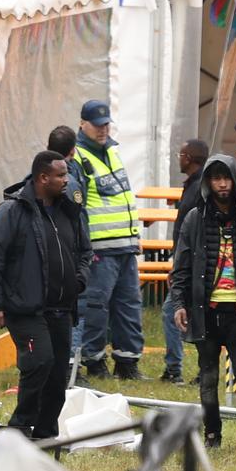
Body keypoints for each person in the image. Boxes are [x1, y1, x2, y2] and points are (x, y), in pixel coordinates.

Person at [0, 151, 87, 442]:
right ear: (43, 178)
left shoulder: (69, 209)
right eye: (61, 175)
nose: (67, 180)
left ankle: (46, 436)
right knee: (39, 361)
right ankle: (19, 429)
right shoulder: (12, 211)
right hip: (25, 309)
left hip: (61, 309)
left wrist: (79, 280)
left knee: (56, 377)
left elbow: (84, 251)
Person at [170, 153, 236, 455]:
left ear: (234, 179)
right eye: (216, 178)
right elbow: (182, 266)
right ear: (207, 182)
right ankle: (212, 434)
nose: (222, 184)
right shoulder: (194, 219)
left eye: (226, 177)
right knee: (208, 376)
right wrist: (179, 303)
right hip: (206, 311)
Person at [68, 98, 144, 379]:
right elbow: (78, 207)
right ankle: (94, 360)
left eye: (106, 124)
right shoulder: (78, 158)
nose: (103, 130)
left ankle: (127, 362)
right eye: (97, 125)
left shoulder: (112, 152)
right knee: (95, 308)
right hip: (100, 249)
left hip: (125, 245)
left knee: (129, 305)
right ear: (82, 124)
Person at [159, 137, 213, 383]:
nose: (178, 158)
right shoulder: (196, 185)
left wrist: (180, 265)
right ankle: (201, 370)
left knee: (173, 311)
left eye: (181, 154)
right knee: (195, 315)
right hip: (191, 262)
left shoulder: (198, 188)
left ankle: (174, 370)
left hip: (192, 264)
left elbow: (191, 232)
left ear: (189, 158)